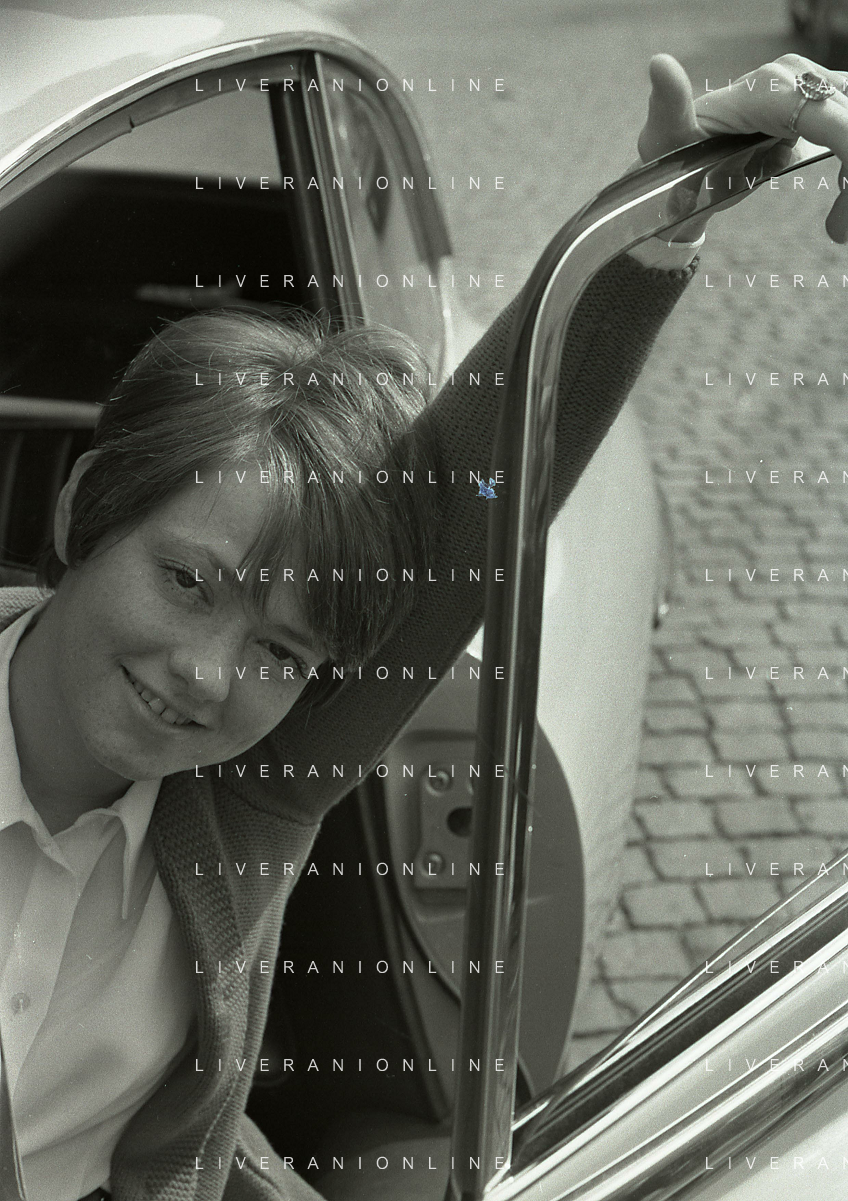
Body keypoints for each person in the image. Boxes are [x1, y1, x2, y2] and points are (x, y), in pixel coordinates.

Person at [1, 50, 847, 1201]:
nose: (204, 673)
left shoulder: (245, 787)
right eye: (190, 581)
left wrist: (670, 205)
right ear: (80, 510)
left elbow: (468, 508)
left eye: (281, 651)